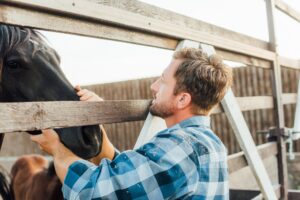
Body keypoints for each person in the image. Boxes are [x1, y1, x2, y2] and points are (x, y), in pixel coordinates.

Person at [31, 47, 232, 199]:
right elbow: (134, 177)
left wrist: (57, 149)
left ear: (182, 99)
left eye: (162, 81)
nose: (154, 87)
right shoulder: (210, 144)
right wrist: (96, 124)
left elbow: (93, 191)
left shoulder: (181, 148)